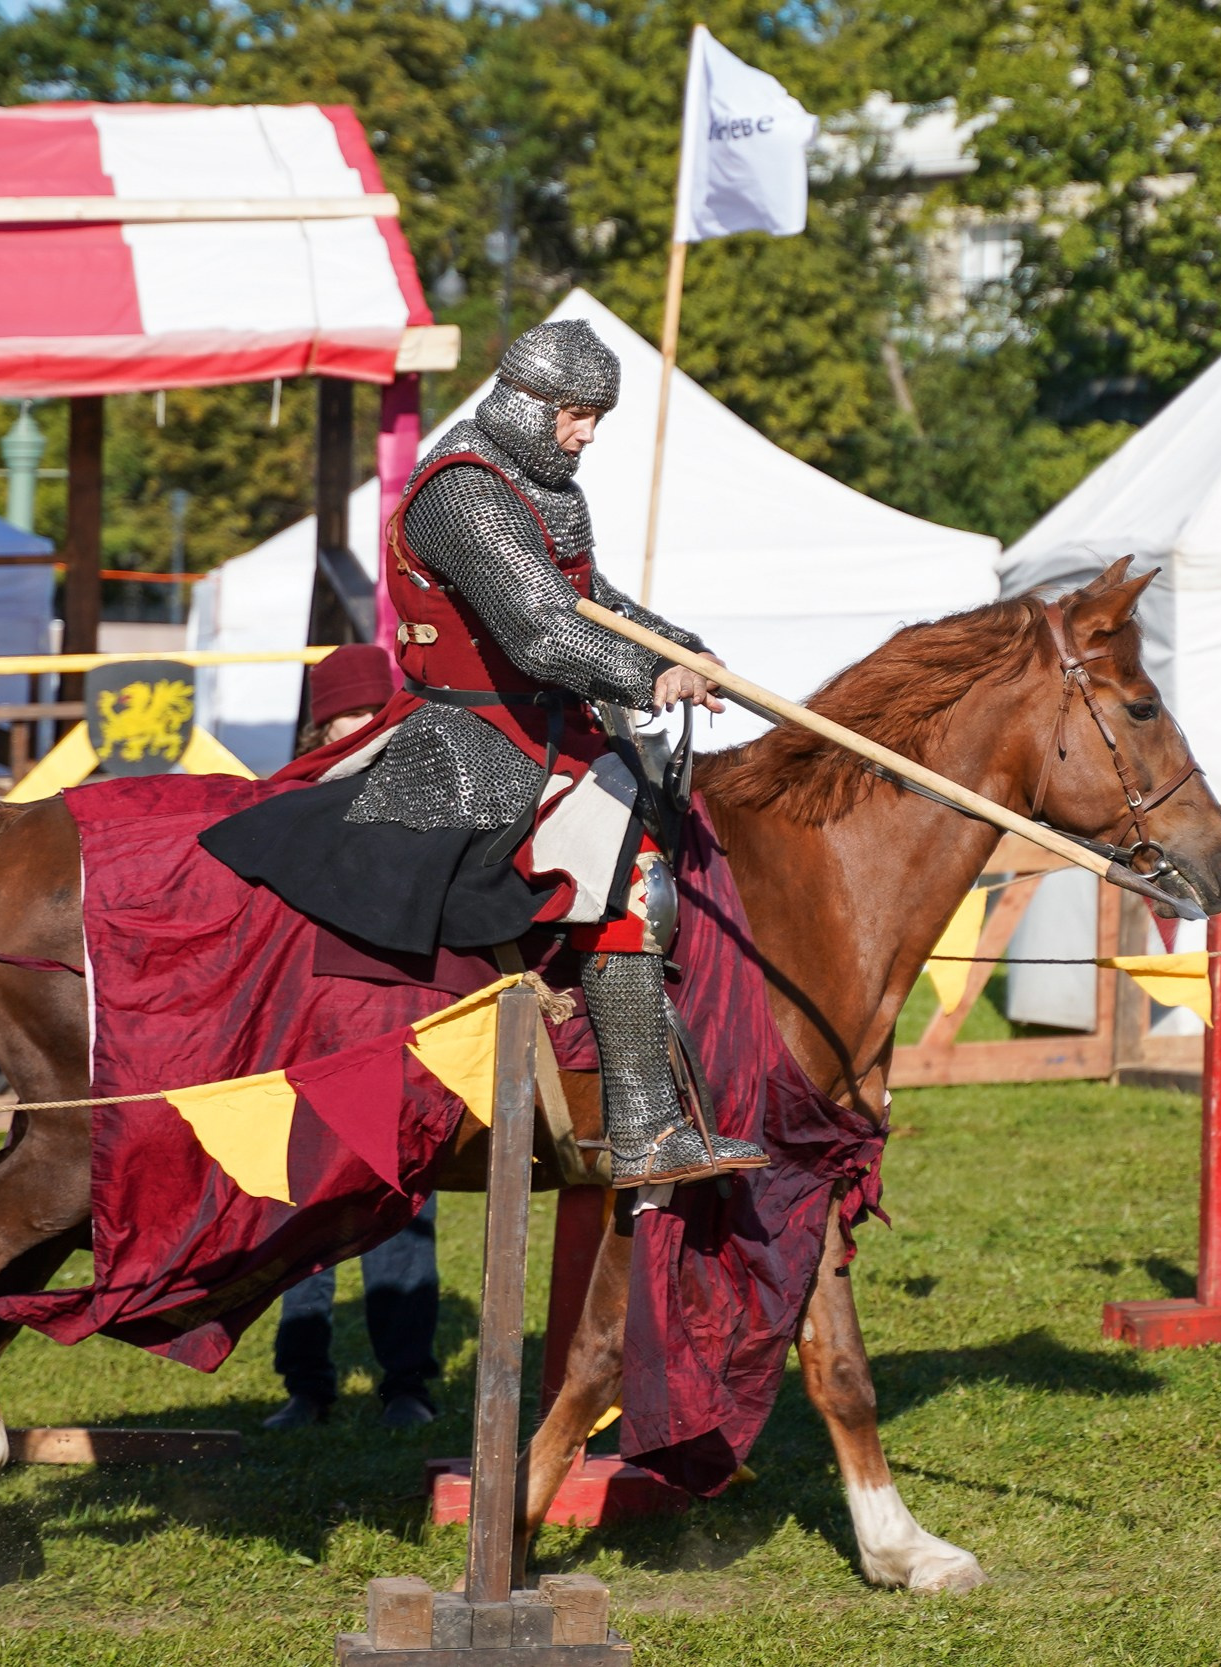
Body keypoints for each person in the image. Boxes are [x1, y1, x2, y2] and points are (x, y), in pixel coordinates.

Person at [203, 320, 765, 1187]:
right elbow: (541, 634)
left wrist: (684, 649)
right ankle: (644, 1130)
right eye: (577, 416)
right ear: (525, 401)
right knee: (633, 878)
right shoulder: (463, 493)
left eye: (597, 420)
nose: (586, 436)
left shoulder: (541, 489)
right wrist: (644, 676)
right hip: (478, 737)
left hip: (551, 728)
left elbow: (593, 600)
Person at [268, 643, 442, 1431]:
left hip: (402, 1034)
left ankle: (407, 1383)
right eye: (346, 714)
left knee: (403, 1210)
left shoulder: (428, 797)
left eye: (374, 713)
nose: (361, 728)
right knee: (303, 1214)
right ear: (320, 723)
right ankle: (306, 1384)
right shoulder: (283, 804)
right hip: (307, 1038)